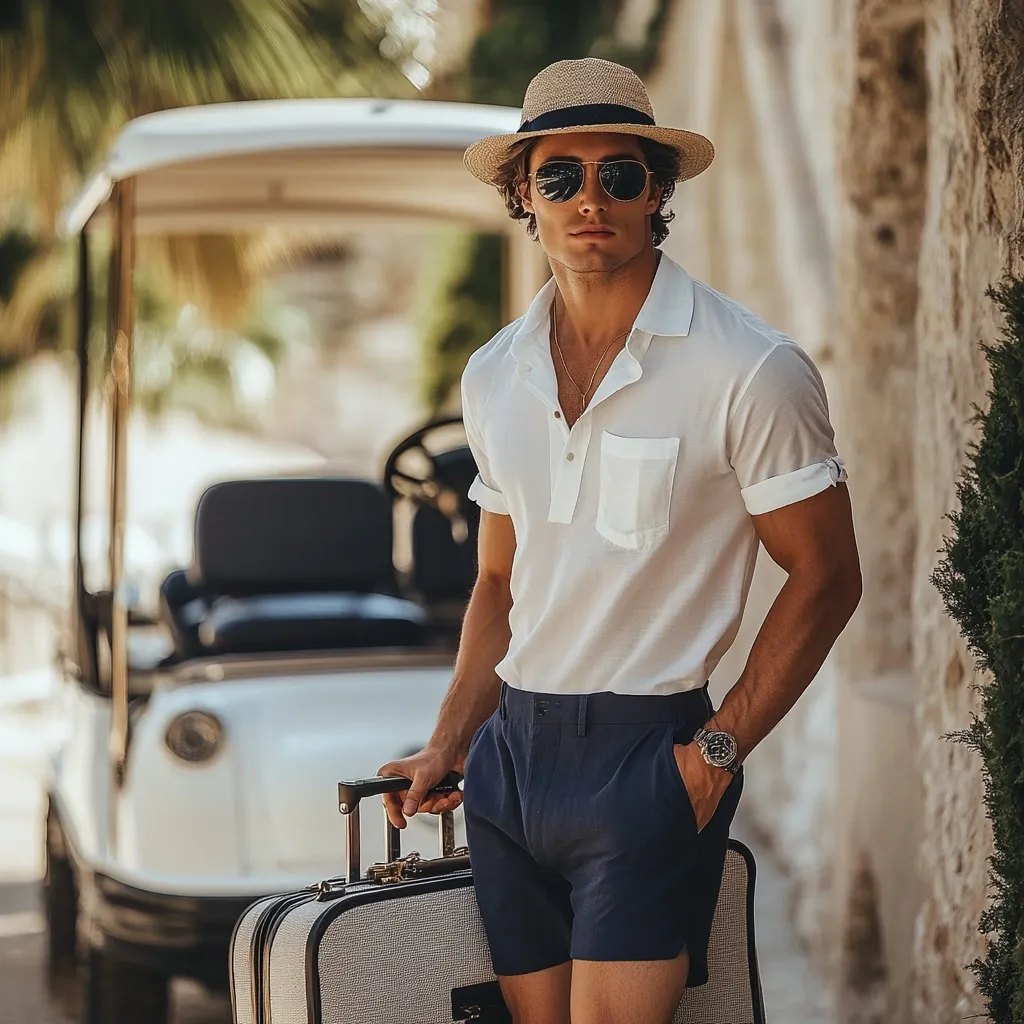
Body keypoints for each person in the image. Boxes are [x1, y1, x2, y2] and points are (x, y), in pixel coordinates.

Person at [380, 57, 862, 1024]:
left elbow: (827, 574)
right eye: (559, 175)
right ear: (525, 193)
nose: (589, 198)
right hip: (511, 765)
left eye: (620, 173)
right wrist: (450, 740)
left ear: (658, 190)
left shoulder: (749, 367)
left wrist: (714, 753)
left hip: (648, 756)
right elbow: (499, 585)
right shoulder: (493, 375)